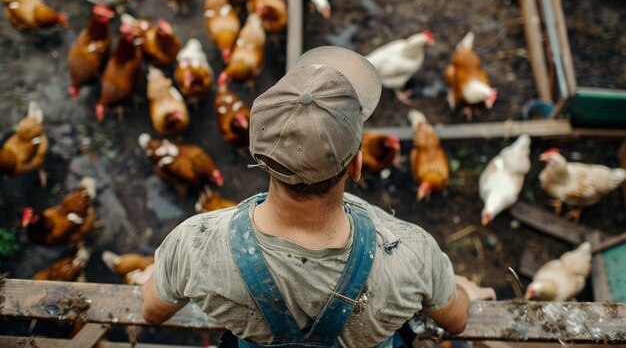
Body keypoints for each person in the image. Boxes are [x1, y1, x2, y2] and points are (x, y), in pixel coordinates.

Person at [141, 46, 496, 348]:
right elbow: (457, 320)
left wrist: (160, 273)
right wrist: (462, 290)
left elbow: (151, 311)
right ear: (356, 165)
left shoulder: (194, 245)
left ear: (259, 154)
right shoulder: (411, 254)